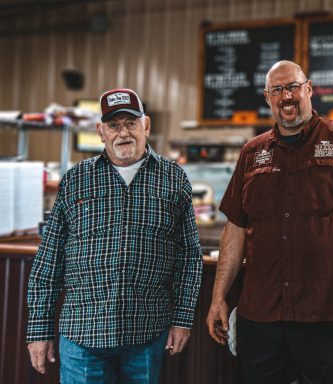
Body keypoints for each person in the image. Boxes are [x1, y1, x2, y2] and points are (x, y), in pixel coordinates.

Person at [206, 61, 333, 384]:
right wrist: (218, 297)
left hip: (329, 315)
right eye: (277, 90)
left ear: (308, 89)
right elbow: (235, 227)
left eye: (292, 86)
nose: (286, 96)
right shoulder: (252, 153)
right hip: (262, 315)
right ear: (268, 98)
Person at [26, 88, 203, 383]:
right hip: (82, 334)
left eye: (131, 123)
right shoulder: (75, 180)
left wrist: (183, 319)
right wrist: (39, 331)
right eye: (114, 125)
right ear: (101, 131)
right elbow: (49, 261)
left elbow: (189, 257)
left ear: (146, 126)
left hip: (146, 333)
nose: (123, 133)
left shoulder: (174, 179)